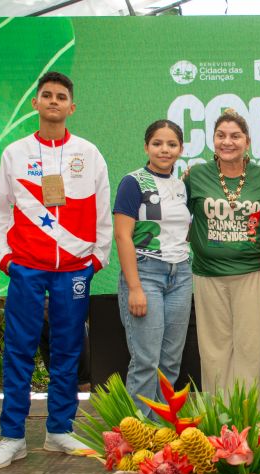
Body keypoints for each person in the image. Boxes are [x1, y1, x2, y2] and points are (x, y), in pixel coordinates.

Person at [0, 71, 112, 470]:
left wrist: (95, 259)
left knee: (68, 351)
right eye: (47, 95)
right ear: (35, 103)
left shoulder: (88, 153)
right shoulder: (15, 153)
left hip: (73, 270)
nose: (54, 101)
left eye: (61, 96)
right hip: (27, 269)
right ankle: (12, 437)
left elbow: (103, 211)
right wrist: (5, 259)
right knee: (19, 350)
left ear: (72, 107)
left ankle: (59, 430)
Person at [185, 109, 260, 408]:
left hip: (253, 274)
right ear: (212, 140)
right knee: (214, 351)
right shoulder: (196, 175)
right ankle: (218, 418)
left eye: (235, 136)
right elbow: (177, 217)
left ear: (247, 141)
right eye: (221, 135)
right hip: (207, 275)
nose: (228, 142)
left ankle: (253, 419)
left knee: (253, 349)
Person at [113, 120, 192, 416]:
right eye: (157, 143)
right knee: (146, 361)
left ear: (180, 149)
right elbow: (123, 236)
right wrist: (134, 288)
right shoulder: (132, 182)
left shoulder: (182, 185)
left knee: (170, 361)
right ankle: (137, 432)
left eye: (172, 144)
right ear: (146, 147)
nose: (164, 150)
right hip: (146, 273)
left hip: (180, 275)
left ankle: (161, 429)